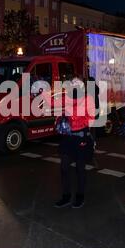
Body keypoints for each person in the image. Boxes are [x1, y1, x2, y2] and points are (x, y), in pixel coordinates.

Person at [50, 76, 95, 209]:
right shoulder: (67, 97)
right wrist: (59, 119)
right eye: (72, 82)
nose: (74, 84)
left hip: (81, 137)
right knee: (64, 167)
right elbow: (55, 106)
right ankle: (66, 196)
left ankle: (80, 196)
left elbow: (91, 119)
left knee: (80, 168)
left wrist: (77, 121)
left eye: (77, 82)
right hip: (68, 137)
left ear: (82, 86)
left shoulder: (88, 99)